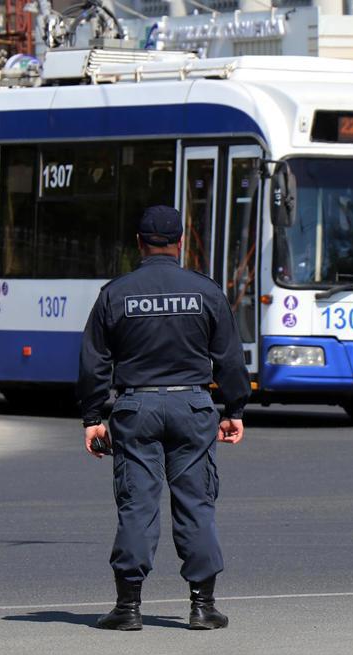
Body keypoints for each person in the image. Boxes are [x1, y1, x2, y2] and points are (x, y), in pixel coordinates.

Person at [78, 205, 252, 632]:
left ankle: (128, 608)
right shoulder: (205, 291)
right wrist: (233, 409)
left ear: (139, 243)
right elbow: (229, 358)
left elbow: (94, 361)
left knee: (137, 504)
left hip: (135, 408)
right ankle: (202, 606)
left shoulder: (115, 293)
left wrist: (93, 417)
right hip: (192, 407)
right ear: (181, 243)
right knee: (196, 503)